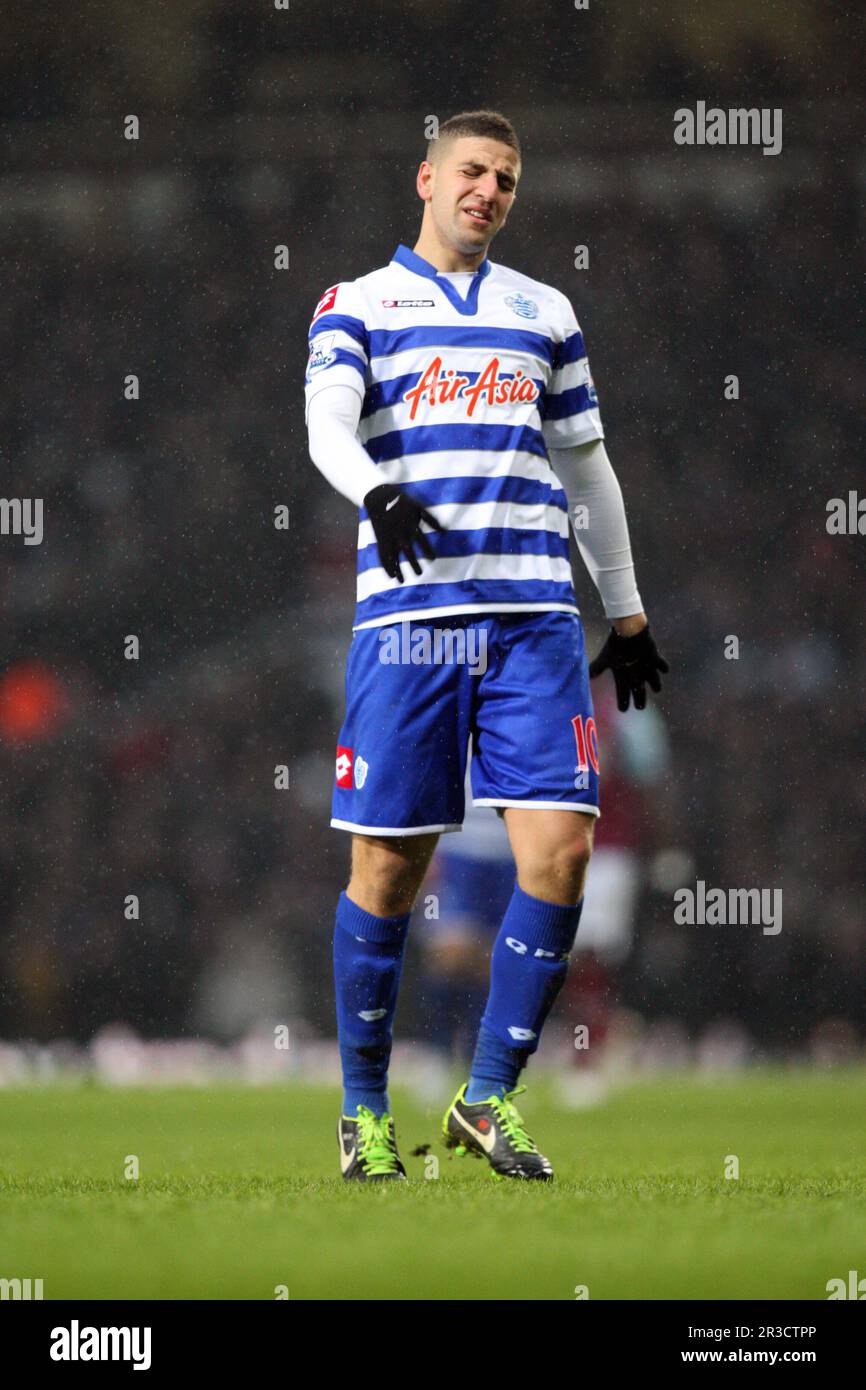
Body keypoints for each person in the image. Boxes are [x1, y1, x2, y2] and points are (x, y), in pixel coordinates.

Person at [305, 110, 667, 1181]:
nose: (488, 190)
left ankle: (486, 1099)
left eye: (505, 178)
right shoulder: (357, 304)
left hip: (533, 622)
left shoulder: (542, 310)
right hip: (410, 628)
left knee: (558, 853)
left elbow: (587, 469)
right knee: (386, 868)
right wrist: (377, 491)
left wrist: (628, 612)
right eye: (471, 170)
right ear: (425, 177)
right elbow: (325, 426)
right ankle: (364, 1113)